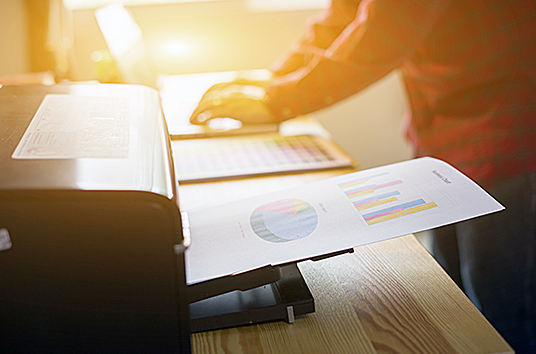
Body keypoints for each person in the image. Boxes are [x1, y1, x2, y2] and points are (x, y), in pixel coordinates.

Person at [189, 0, 536, 351]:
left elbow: (382, 36)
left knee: (501, 308)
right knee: (456, 293)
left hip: (505, 132)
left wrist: (276, 101)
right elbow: (342, 17)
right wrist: (272, 81)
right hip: (447, 127)